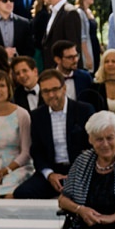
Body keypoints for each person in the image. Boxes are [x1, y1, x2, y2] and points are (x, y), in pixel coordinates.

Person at [24, 68, 97, 199]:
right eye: (46, 91)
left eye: (55, 89)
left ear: (64, 88)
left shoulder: (84, 110)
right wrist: (50, 175)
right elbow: (37, 151)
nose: (51, 95)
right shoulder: (37, 116)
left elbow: (93, 146)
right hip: (52, 171)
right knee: (23, 193)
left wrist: (77, 174)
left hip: (81, 170)